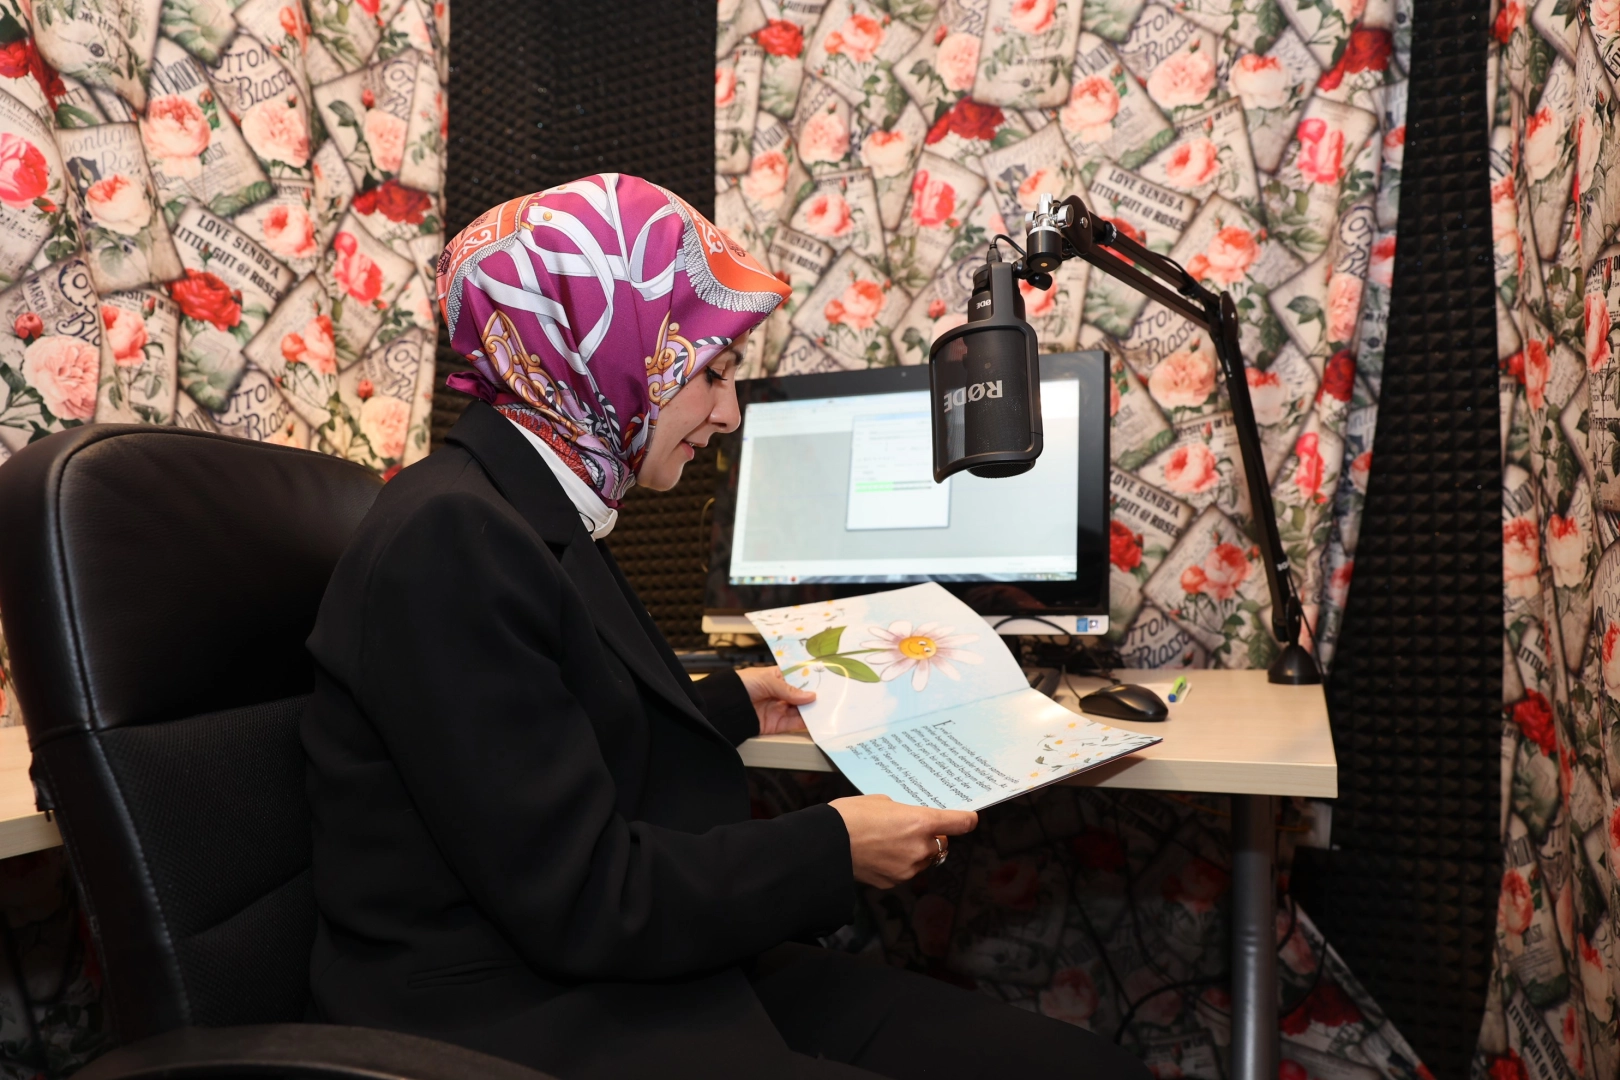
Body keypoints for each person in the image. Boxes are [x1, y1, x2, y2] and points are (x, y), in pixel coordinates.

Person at [302, 173, 1149, 1080]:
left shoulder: (525, 505)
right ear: (601, 349)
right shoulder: (451, 540)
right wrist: (833, 848)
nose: (730, 412)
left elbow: (540, 737)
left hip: (622, 971)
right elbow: (585, 897)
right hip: (506, 1017)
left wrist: (736, 703)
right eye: (711, 372)